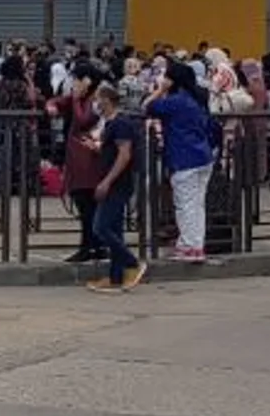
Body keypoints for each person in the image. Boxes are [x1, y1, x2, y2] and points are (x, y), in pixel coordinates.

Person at [145, 60, 215, 263]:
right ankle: (196, 245)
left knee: (185, 205)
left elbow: (147, 106)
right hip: (203, 156)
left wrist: (160, 90)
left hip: (184, 158)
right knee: (197, 204)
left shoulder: (176, 101)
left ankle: (188, 247)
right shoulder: (197, 98)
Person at [85, 81, 147, 292]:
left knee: (100, 227)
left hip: (117, 183)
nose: (96, 104)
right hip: (113, 181)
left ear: (107, 101)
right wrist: (97, 148)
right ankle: (116, 277)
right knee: (115, 230)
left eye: (98, 100)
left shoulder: (120, 124)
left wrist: (107, 181)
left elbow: (124, 154)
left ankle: (132, 263)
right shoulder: (111, 125)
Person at [48, 63, 105, 263]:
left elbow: (83, 120)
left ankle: (89, 246)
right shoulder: (80, 98)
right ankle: (94, 245)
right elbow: (56, 101)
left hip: (89, 159)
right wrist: (52, 105)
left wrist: (75, 99)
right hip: (78, 158)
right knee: (86, 205)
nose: (73, 84)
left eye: (77, 80)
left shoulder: (96, 99)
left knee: (88, 206)